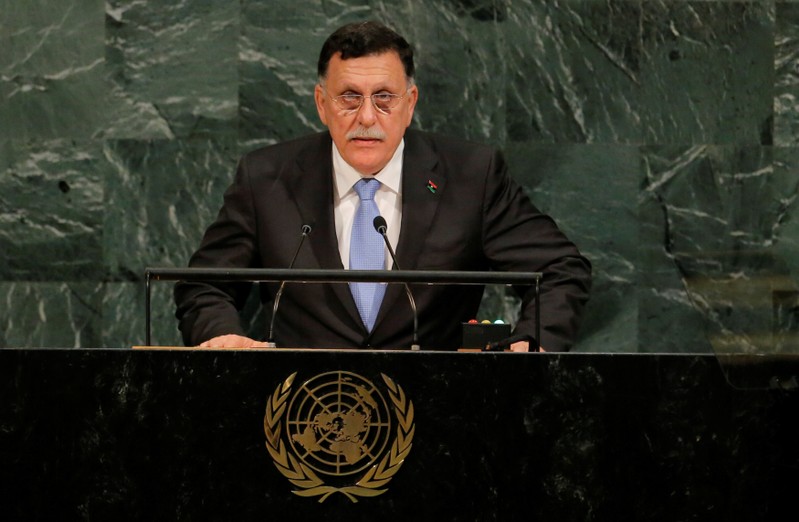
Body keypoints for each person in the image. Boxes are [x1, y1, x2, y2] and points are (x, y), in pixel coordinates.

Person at [174, 20, 591, 352]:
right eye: (350, 97)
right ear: (322, 104)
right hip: (300, 416)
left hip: (442, 416)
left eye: (385, 97)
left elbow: (558, 269)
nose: (368, 117)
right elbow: (204, 284)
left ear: (410, 104)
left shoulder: (471, 176)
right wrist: (223, 340)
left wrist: (531, 342)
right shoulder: (267, 178)